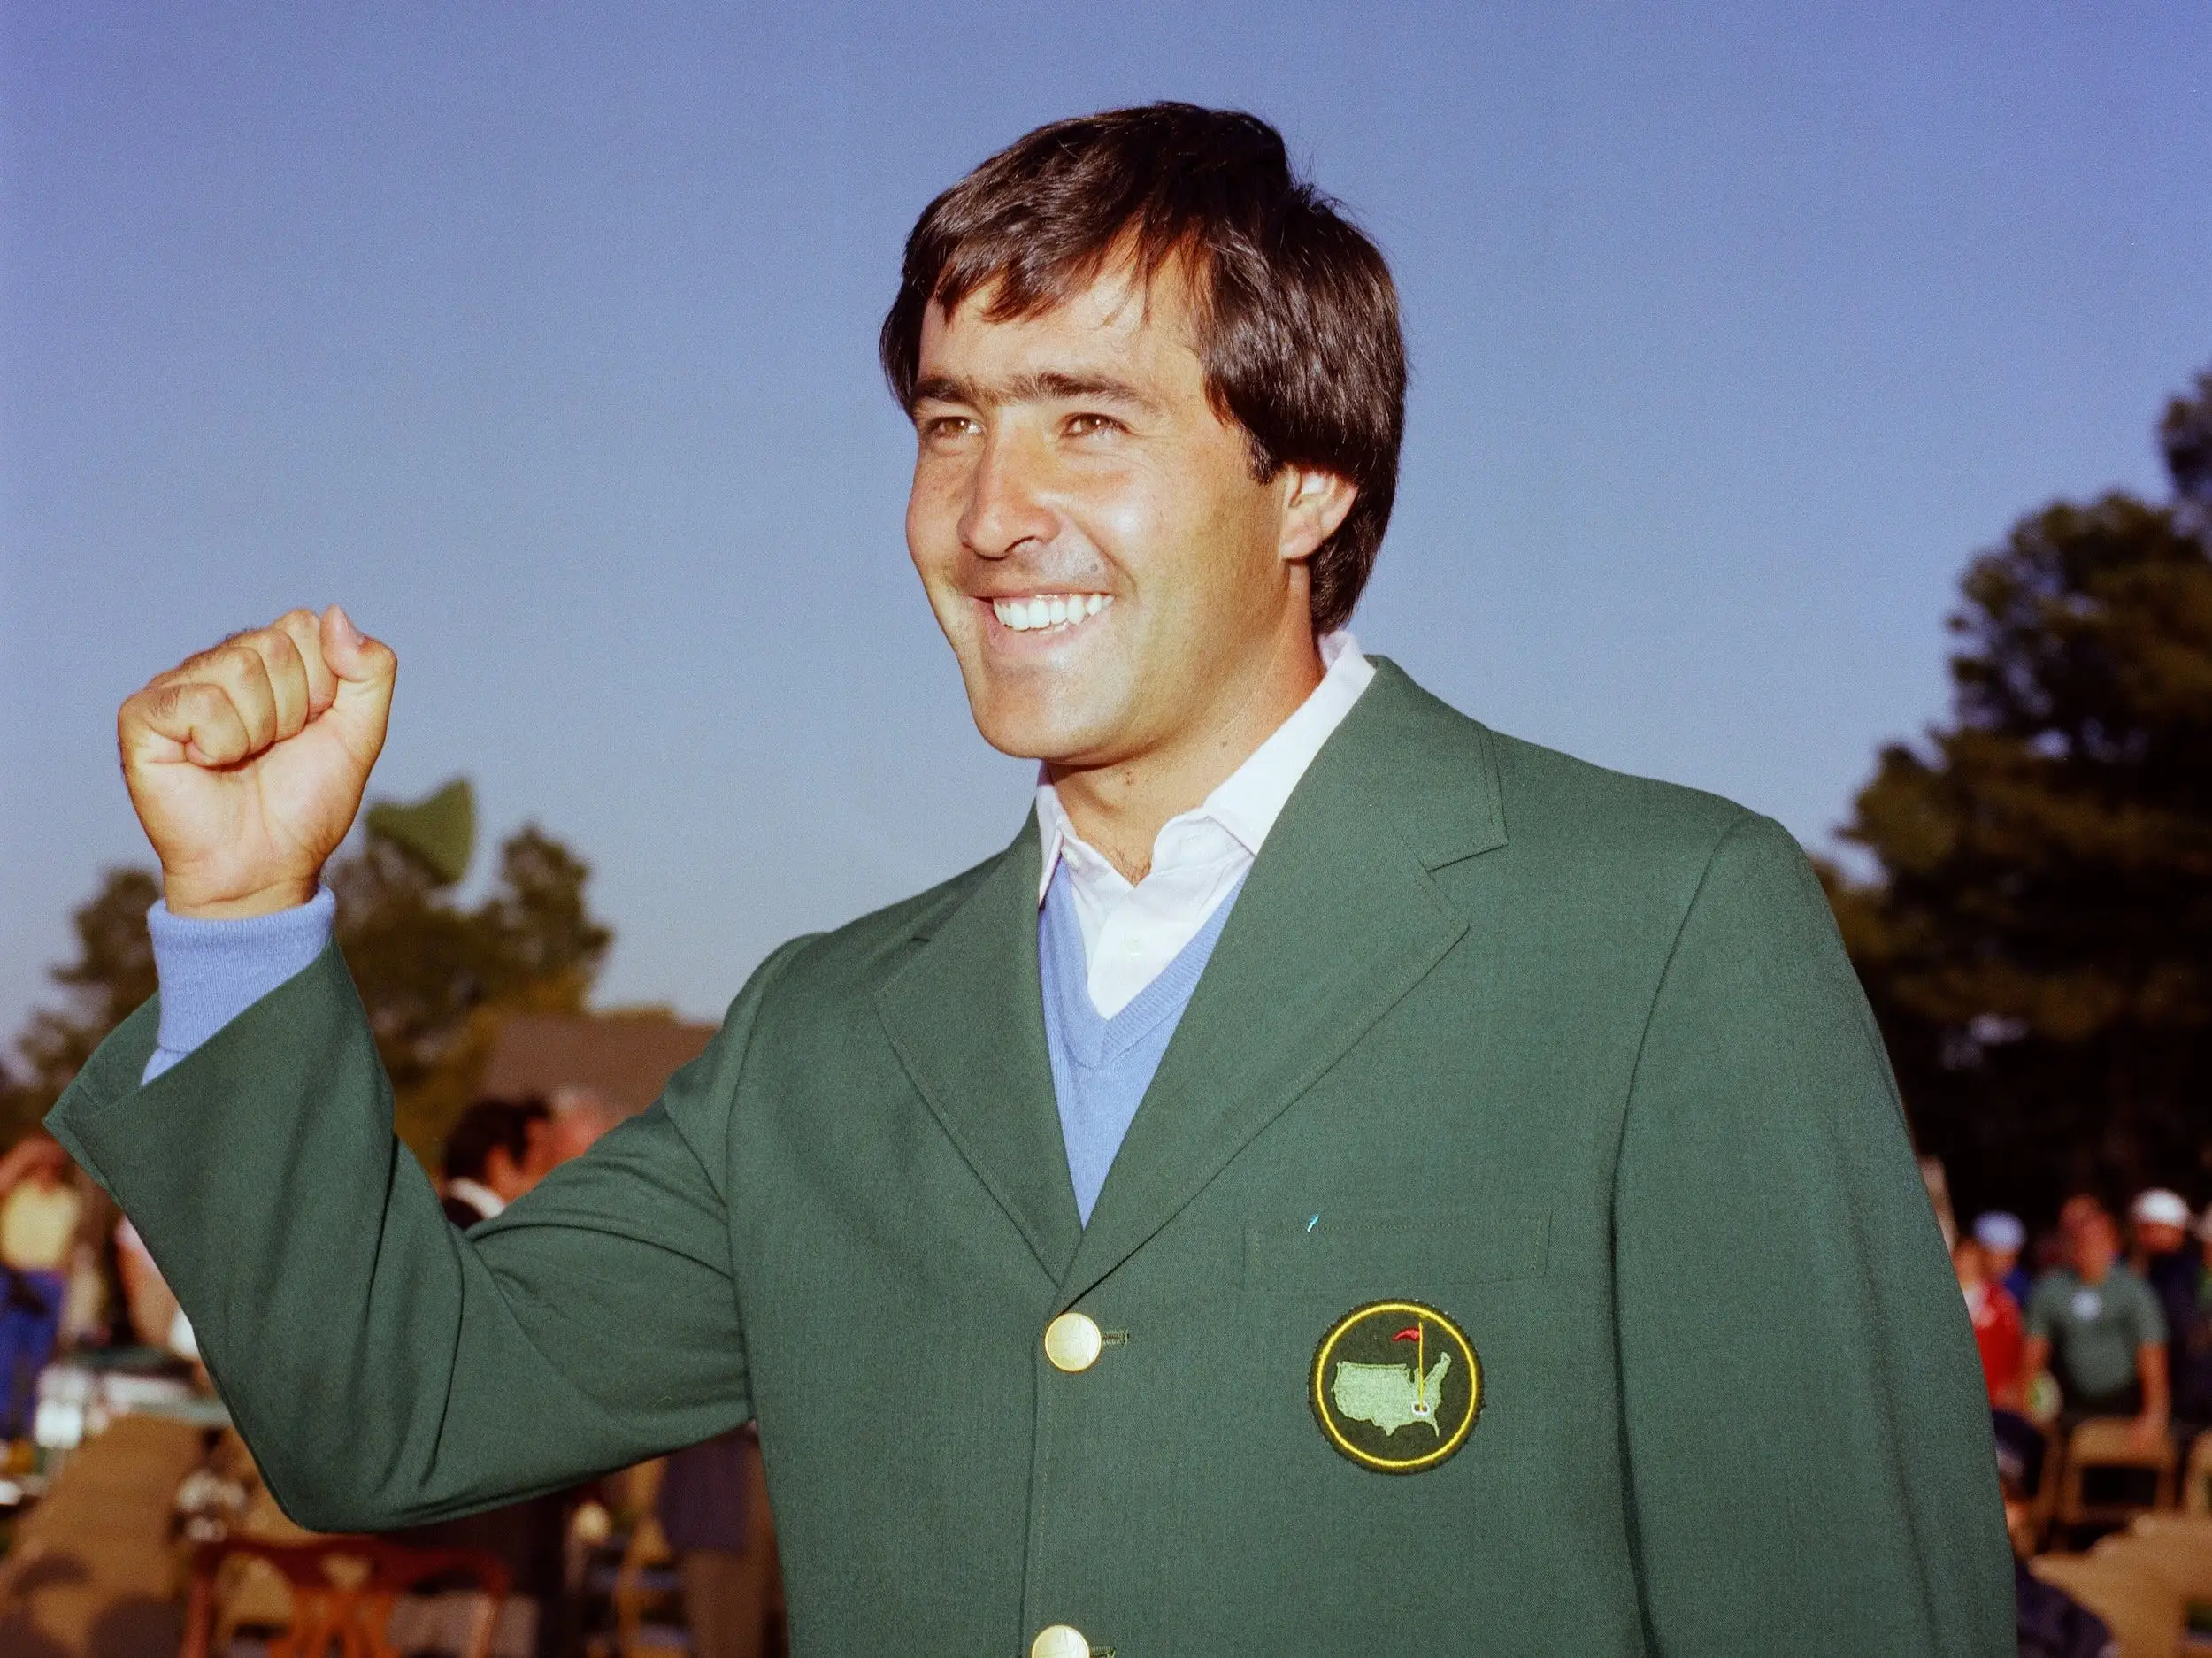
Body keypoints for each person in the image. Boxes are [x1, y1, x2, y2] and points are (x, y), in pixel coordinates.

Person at [51, 104, 2012, 1654]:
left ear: (1309, 476)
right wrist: (242, 914)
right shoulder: (826, 1028)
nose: (991, 516)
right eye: (949, 421)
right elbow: (392, 1412)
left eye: (1089, 418)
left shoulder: (1659, 927)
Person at [2024, 1209, 2169, 1447]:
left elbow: (2151, 1352)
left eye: (2097, 1240)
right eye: (2081, 1241)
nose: (2089, 1247)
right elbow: (2033, 1354)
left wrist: (2154, 1412)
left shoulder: (2135, 1292)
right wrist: (2028, 1404)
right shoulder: (2049, 1290)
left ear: (2113, 1244)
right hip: (2070, 1404)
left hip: (2123, 1403)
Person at [0, 1134, 83, 1438]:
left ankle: (25, 1434)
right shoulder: (17, 1193)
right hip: (13, 1281)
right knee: (5, 1357)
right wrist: (24, 1152)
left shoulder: (68, 1201)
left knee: (39, 1363)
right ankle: (2, 1432)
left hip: (48, 1285)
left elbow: (71, 1253)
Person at [439, 1097, 553, 1227]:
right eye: (545, 1163)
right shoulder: (485, 1235)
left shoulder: (434, 1219)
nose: (547, 1176)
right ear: (499, 1163)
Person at [1956, 1236, 2024, 1410]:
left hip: (1990, 1395)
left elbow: (2013, 1347)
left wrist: (2010, 1384)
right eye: (1961, 1256)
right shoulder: (1938, 1300)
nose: (1965, 1263)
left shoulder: (2001, 1302)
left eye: (1971, 1257)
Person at [1976, 1209, 2033, 1308]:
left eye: (2008, 1258)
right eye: (1994, 1256)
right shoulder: (1965, 1282)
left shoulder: (2024, 1287)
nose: (2000, 1264)